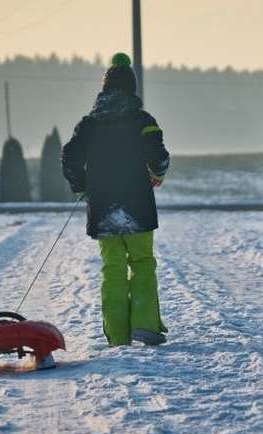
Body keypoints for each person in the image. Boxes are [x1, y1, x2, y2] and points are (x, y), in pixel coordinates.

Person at [61, 53, 170, 347]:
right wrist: (157, 173)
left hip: (103, 207)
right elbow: (159, 156)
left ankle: (118, 335)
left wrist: (81, 185)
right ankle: (146, 325)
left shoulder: (89, 125)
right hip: (137, 205)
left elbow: (69, 157)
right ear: (131, 89)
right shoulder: (143, 121)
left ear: (105, 89)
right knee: (143, 262)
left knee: (112, 267)